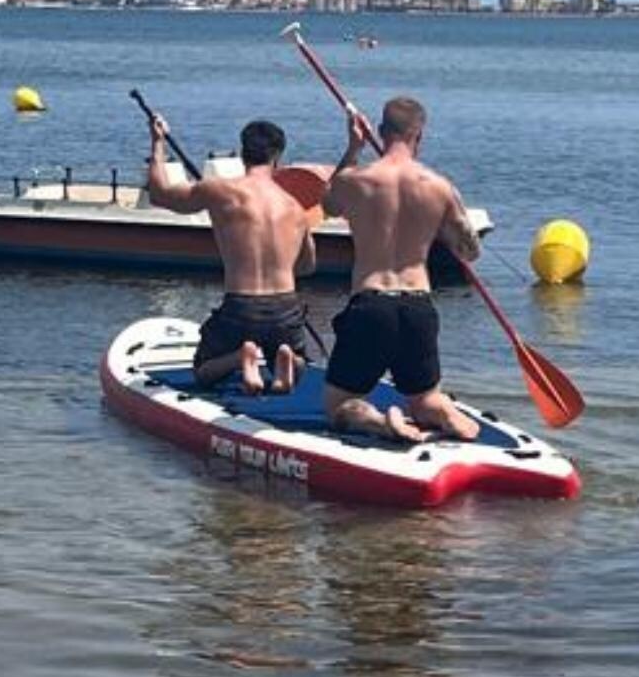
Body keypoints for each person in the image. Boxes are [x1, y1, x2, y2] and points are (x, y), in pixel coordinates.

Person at [321, 96, 481, 442]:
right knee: (425, 399)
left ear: (380, 132)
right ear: (419, 136)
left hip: (371, 303)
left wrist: (352, 149)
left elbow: (328, 205)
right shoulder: (440, 187)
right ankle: (447, 414)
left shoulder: (356, 179)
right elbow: (469, 252)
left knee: (339, 405)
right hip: (418, 306)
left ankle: (381, 423)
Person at [147, 117, 316, 394]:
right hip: (285, 309)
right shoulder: (294, 208)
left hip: (241, 307)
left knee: (202, 371)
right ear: (278, 159)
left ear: (242, 153)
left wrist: (158, 143)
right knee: (300, 365)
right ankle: (287, 360)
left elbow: (159, 194)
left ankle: (240, 357)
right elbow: (308, 266)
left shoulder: (220, 191)